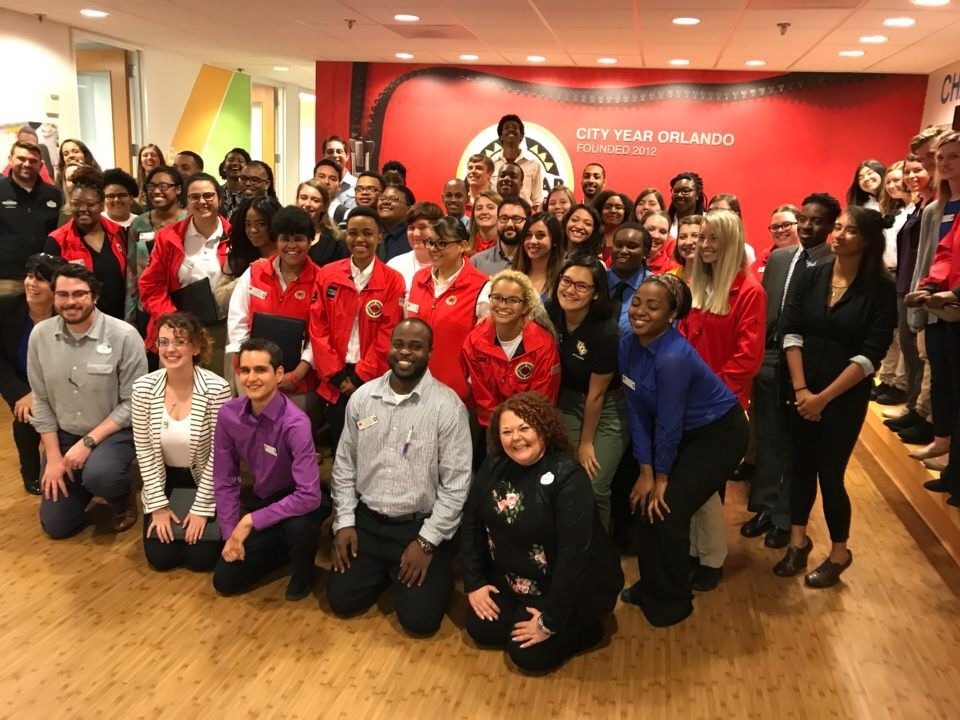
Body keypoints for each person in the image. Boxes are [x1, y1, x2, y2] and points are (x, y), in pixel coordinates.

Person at [328, 319, 472, 635]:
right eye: (399, 344)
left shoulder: (447, 407)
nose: (405, 352)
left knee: (420, 622)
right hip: (367, 522)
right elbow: (344, 467)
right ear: (389, 346)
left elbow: (457, 485)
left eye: (416, 346)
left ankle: (430, 569)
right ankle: (385, 569)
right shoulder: (362, 398)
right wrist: (345, 522)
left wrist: (427, 541)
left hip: (417, 527)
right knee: (342, 601)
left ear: (430, 352)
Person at [777, 206, 896, 586]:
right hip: (802, 389)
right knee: (800, 468)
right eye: (839, 228)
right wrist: (801, 390)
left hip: (842, 397)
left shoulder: (881, 288)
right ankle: (798, 542)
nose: (839, 235)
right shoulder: (814, 275)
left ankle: (839, 552)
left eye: (850, 231)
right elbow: (791, 331)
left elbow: (871, 353)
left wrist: (822, 398)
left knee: (830, 475)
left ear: (868, 241)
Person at [619, 274, 747, 627]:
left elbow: (669, 425)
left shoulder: (672, 358)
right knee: (644, 505)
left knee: (667, 511)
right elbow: (637, 410)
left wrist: (661, 478)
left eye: (653, 306)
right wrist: (645, 473)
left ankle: (673, 600)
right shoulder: (628, 342)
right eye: (637, 302)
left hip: (718, 434)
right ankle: (651, 585)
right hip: (679, 432)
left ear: (671, 315)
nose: (640, 311)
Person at [462, 392, 622, 672]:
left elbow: (575, 559)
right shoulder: (493, 464)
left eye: (525, 428)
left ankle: (582, 626)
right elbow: (471, 523)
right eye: (507, 431)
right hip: (514, 578)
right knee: (481, 628)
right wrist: (474, 582)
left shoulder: (568, 477)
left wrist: (551, 620)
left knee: (528, 657)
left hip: (562, 588)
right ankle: (521, 613)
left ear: (544, 430)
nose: (516, 438)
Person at [742, 193, 841, 550]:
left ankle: (787, 516)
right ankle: (765, 507)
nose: (808, 226)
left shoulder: (835, 264)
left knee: (796, 446)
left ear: (831, 227)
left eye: (817, 221)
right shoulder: (781, 258)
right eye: (804, 219)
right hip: (770, 358)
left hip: (810, 368)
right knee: (768, 437)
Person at [678, 208, 766, 591]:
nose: (704, 245)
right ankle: (696, 553)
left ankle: (711, 560)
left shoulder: (749, 292)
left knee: (707, 488)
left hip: (719, 407)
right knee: (694, 487)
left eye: (713, 238)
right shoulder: (696, 283)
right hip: (685, 402)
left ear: (731, 242)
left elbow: (747, 359)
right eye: (701, 238)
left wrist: (707, 396)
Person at [28, 263, 148, 538]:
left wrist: (88, 443)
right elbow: (41, 399)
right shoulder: (40, 336)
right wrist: (55, 457)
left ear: (94, 296)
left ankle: (121, 497)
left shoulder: (124, 336)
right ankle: (83, 480)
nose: (71, 302)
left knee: (101, 475)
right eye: (63, 294)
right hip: (64, 436)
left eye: (79, 294)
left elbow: (133, 403)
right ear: (54, 296)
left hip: (113, 434)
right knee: (58, 527)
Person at [212, 338, 327, 600]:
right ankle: (278, 548)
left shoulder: (296, 423)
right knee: (225, 581)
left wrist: (250, 521)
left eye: (261, 370)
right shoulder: (228, 415)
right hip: (263, 499)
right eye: (245, 370)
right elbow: (225, 479)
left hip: (300, 500)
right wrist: (231, 533)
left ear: (278, 374)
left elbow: (309, 496)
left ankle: (303, 570)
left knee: (299, 529)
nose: (251, 378)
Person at [132, 312, 231, 572]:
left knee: (201, 560)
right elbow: (144, 452)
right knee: (161, 559)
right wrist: (158, 507)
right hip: (165, 479)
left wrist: (201, 509)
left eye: (179, 341)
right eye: (163, 342)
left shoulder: (217, 389)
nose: (170, 349)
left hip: (204, 479)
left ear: (196, 347)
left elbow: (219, 456)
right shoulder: (142, 389)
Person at [308, 206, 405, 452]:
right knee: (339, 445)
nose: (359, 239)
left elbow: (389, 332)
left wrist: (361, 376)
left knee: (373, 445)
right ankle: (341, 490)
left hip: (373, 378)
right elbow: (318, 327)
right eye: (353, 233)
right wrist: (337, 375)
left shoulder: (393, 280)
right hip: (335, 378)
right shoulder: (328, 275)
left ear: (379, 237)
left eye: (367, 233)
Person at [546, 255, 625, 528]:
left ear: (595, 293)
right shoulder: (551, 311)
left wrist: (587, 443)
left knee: (594, 484)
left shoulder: (606, 331)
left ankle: (597, 553)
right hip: (565, 401)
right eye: (566, 281)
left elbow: (597, 395)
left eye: (582, 286)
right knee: (564, 477)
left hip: (606, 409)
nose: (570, 290)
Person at [227, 206, 320, 413]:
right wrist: (249, 366)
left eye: (299, 239)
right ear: (275, 241)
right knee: (251, 439)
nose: (291, 245)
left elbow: (319, 335)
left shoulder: (321, 280)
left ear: (310, 240)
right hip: (252, 377)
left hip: (298, 383)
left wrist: (297, 373)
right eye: (285, 239)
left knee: (294, 442)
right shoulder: (255, 272)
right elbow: (237, 321)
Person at [138, 172, 232, 369]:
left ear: (219, 198)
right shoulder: (168, 237)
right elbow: (150, 285)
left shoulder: (234, 236)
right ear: (186, 201)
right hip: (176, 328)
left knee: (217, 390)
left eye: (208, 196)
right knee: (177, 391)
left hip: (222, 330)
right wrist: (175, 322)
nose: (202, 201)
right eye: (194, 197)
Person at [460, 270, 561, 445]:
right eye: (497, 297)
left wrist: (518, 433)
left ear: (526, 306)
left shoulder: (543, 345)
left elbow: (542, 399)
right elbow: (483, 396)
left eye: (513, 300)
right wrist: (503, 431)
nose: (503, 305)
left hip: (532, 428)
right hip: (493, 428)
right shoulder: (475, 341)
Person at [885, 153, 941, 452]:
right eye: (908, 171)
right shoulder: (918, 208)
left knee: (923, 354)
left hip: (922, 287)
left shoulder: (933, 208)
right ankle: (915, 408)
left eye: (918, 169)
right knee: (910, 347)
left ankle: (925, 416)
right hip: (907, 283)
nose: (911, 176)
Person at [406, 213, 489, 403]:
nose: (434, 249)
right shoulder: (419, 279)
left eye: (442, 243)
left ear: (463, 245)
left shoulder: (482, 286)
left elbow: (484, 350)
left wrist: (468, 385)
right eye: (431, 242)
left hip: (458, 395)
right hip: (415, 388)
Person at [0, 253, 63, 494]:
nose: (31, 283)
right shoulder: (6, 308)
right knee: (25, 414)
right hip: (19, 380)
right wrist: (21, 394)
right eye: (29, 276)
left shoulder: (66, 314)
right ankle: (30, 470)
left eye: (41, 279)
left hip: (57, 382)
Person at [44, 167, 127, 321]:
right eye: (76, 203)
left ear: (102, 205)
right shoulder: (57, 241)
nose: (83, 209)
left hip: (118, 321)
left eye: (90, 204)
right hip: (78, 322)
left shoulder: (119, 233)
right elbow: (51, 291)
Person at [126, 166, 187, 329]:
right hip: (146, 304)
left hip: (181, 304)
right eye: (151, 186)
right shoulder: (139, 223)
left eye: (164, 186)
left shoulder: (188, 221)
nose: (156, 191)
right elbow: (132, 272)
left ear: (178, 189)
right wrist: (130, 314)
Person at [0, 140, 62, 297]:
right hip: (7, 279)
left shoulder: (54, 194)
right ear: (10, 160)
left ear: (41, 165)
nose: (27, 164)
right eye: (21, 158)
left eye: (33, 161)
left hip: (46, 278)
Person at [607, 222, 652, 336]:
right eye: (618, 245)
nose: (623, 251)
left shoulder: (655, 287)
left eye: (632, 247)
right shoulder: (597, 280)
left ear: (645, 252)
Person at [492, 114, 544, 211]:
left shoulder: (534, 164)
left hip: (524, 216)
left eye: (515, 128)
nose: (511, 130)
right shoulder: (491, 164)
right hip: (497, 215)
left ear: (521, 136)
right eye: (506, 128)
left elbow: (537, 200)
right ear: (500, 137)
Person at [471, 195, 530, 276]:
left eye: (516, 218)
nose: (509, 224)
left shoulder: (537, 263)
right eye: (504, 218)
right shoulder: (476, 262)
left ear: (528, 222)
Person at [296, 179, 347, 268]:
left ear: (324, 206)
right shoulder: (283, 235)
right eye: (303, 198)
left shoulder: (336, 241)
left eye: (315, 200)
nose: (307, 204)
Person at [388, 201, 438, 292]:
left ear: (438, 229)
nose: (416, 234)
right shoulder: (394, 265)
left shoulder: (447, 266)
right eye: (411, 228)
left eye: (422, 227)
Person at [513, 212, 564, 300]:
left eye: (541, 235)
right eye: (528, 235)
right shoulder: (513, 275)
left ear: (555, 240)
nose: (532, 241)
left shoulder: (563, 278)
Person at [752, 205, 801, 276]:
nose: (780, 230)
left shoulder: (812, 256)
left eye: (786, 225)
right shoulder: (764, 257)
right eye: (775, 227)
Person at [594, 191, 634, 264]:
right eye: (608, 207)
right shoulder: (591, 236)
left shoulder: (631, 238)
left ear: (626, 212)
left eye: (618, 208)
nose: (613, 211)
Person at [377, 184, 415, 261]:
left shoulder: (414, 237)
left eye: (393, 199)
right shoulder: (371, 233)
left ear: (409, 208)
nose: (385, 202)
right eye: (382, 198)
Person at [323, 135, 357, 216]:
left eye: (339, 151)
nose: (335, 155)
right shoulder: (316, 186)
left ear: (347, 156)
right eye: (330, 152)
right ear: (323, 156)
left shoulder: (357, 185)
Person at [640, 209, 680, 274]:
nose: (656, 236)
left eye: (663, 232)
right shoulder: (627, 259)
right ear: (640, 229)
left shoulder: (673, 269)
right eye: (651, 229)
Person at [667, 172, 706, 238]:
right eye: (676, 191)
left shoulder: (707, 221)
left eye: (686, 191)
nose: (679, 195)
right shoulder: (665, 221)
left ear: (697, 194)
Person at [218, 147, 251, 220]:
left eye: (240, 161)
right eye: (231, 160)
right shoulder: (216, 192)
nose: (235, 163)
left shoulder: (252, 193)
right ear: (223, 167)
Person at [468, 189, 502, 254]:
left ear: (501, 212)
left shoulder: (508, 247)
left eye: (490, 207)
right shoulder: (464, 247)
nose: (484, 212)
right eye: (479, 208)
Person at [671, 214, 703, 284]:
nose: (688, 242)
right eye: (683, 237)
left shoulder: (717, 277)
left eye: (695, 235)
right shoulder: (670, 277)